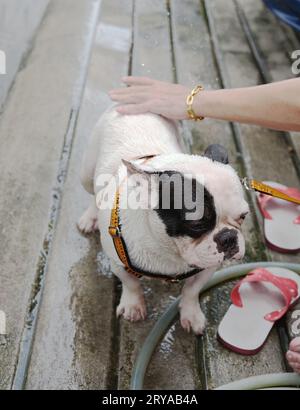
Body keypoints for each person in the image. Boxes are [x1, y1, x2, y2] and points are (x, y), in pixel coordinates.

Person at [109, 76, 300, 373]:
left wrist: (190, 294)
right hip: (120, 135)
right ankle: (131, 290)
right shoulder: (134, 203)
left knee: (206, 254)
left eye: (239, 218)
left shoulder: (209, 200)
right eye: (199, 226)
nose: (228, 238)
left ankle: (189, 295)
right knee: (90, 184)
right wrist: (132, 290)